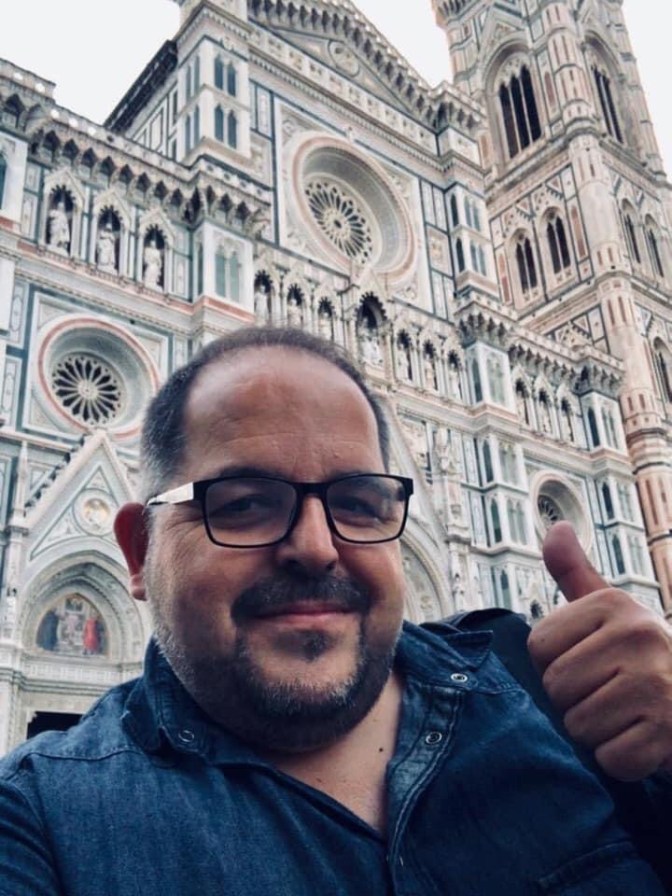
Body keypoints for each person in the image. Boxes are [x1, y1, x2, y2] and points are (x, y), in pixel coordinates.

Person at [1, 324, 672, 895]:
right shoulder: (40, 823)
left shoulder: (558, 702)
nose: (317, 547)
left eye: (358, 503)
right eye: (244, 503)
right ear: (141, 551)